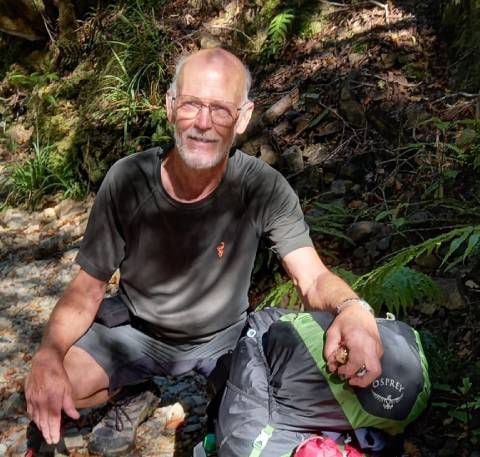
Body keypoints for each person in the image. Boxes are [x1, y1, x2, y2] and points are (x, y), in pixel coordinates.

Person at [24, 47, 384, 455]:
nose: (203, 123)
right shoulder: (128, 181)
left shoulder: (262, 188)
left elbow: (312, 277)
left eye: (220, 109)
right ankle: (134, 392)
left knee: (266, 414)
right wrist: (48, 355)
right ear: (170, 105)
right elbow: (87, 288)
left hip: (226, 340)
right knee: (52, 387)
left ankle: (220, 408)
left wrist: (353, 309)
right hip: (139, 331)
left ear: (243, 117)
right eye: (191, 104)